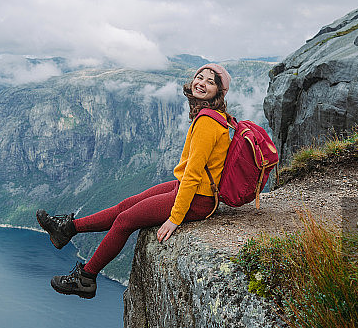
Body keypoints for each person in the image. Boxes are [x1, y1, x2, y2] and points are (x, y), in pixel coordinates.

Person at [36, 63, 232, 298]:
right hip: (193, 189)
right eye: (200, 77)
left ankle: (87, 278)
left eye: (211, 82)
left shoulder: (207, 123)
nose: (202, 83)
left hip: (197, 198)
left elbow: (193, 174)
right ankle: (67, 229)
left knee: (125, 220)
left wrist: (175, 218)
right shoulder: (210, 116)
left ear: (219, 93)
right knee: (125, 205)